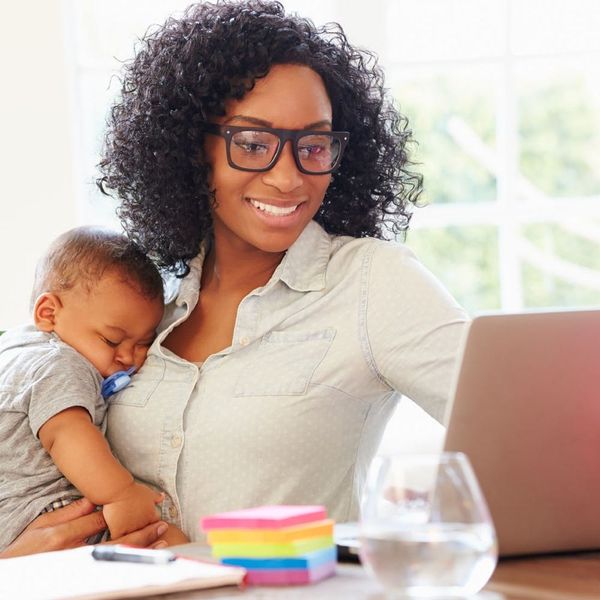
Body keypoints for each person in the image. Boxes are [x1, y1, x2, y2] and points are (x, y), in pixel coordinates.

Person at [3, 0, 468, 554]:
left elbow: (527, 430)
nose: (288, 178)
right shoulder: (143, 299)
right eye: (251, 144)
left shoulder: (371, 282)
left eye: (313, 146)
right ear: (190, 148)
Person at [0, 227, 187, 554]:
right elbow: (65, 434)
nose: (127, 357)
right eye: (112, 340)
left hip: (13, 520)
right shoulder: (60, 362)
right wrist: (121, 494)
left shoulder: (15, 350)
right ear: (49, 313)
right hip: (43, 511)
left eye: (143, 343)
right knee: (167, 538)